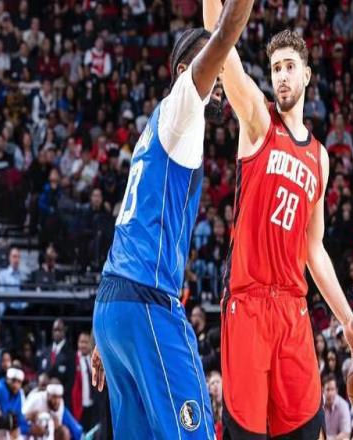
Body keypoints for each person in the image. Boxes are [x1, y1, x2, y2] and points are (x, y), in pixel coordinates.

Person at [202, 5, 353, 437]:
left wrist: (347, 320)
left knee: (306, 430)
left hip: (293, 310)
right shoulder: (257, 119)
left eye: (289, 67)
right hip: (247, 303)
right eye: (275, 68)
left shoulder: (320, 157)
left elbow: (313, 249)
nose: (281, 76)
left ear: (306, 75)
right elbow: (221, 45)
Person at [90, 0, 255, 436]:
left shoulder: (154, 130)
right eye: (215, 70)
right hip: (148, 301)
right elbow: (225, 34)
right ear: (185, 71)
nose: (221, 82)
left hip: (114, 304)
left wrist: (106, 332)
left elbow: (127, 227)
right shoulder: (182, 105)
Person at [38, 319, 75, 407]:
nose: (57, 333)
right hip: (45, 399)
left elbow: (71, 380)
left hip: (62, 400)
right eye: (55, 330)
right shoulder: (45, 352)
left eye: (59, 330)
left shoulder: (70, 353)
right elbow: (39, 372)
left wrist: (57, 392)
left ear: (64, 330)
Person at [72, 331, 96, 431]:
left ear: (90, 344)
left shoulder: (95, 359)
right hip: (78, 406)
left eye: (86, 342)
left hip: (94, 406)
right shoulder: (72, 360)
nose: (83, 345)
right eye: (81, 342)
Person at [323, 374, 351, 440]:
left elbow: (346, 432)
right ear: (322, 390)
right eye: (327, 389)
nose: (330, 393)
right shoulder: (319, 405)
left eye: (332, 389)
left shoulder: (343, 405)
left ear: (336, 390)